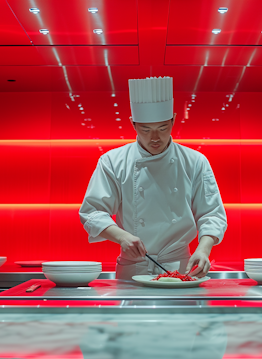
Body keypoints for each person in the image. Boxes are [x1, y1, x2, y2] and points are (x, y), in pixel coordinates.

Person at [79, 76, 227, 280]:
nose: (154, 137)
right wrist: (122, 237)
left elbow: (212, 214)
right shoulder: (112, 161)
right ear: (133, 124)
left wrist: (203, 250)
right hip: (133, 268)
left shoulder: (195, 161)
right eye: (145, 130)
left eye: (163, 128)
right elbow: (93, 212)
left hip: (180, 267)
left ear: (174, 120)